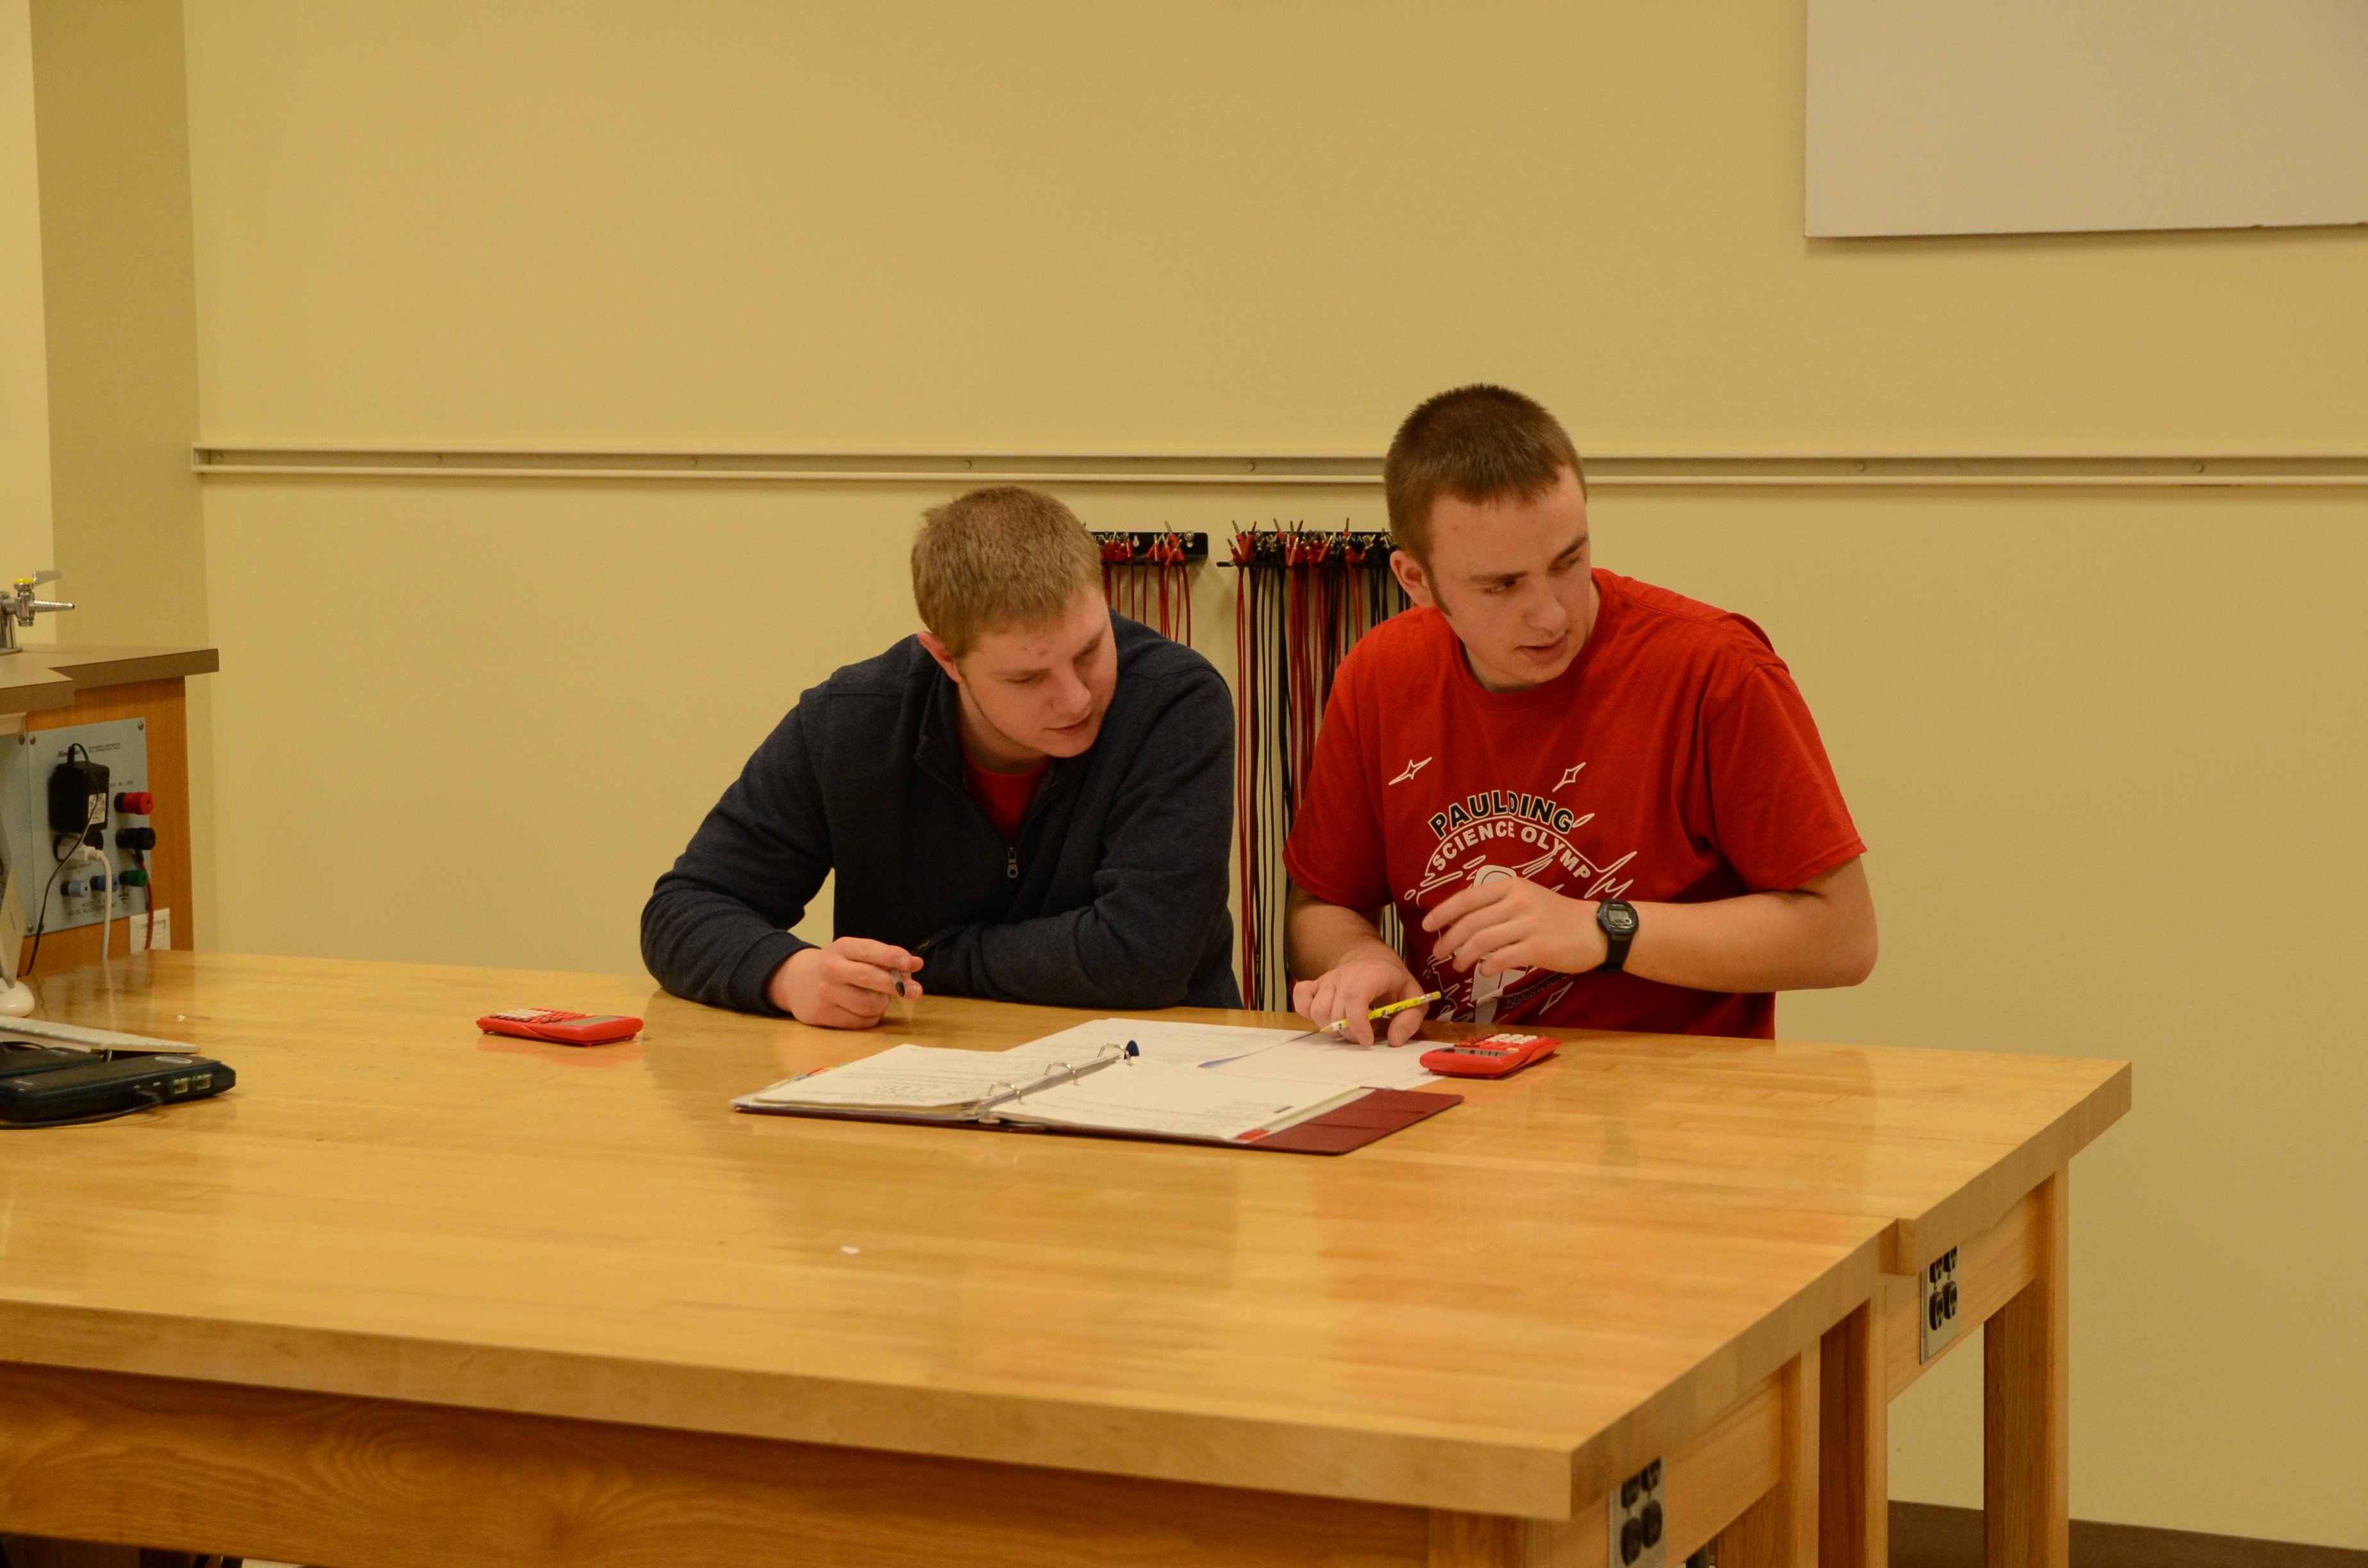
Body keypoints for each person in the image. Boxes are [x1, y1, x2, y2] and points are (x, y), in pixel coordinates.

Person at [1284, 385, 1876, 1045]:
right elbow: (1322, 906)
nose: (1551, 615)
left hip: (1677, 1090)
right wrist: (1359, 959)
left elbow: (1844, 938)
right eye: (1502, 585)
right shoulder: (1380, 673)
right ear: (1415, 581)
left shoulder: (1717, 672)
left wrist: (1604, 930)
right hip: (1456, 1082)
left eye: (1569, 561)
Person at [643, 485, 1239, 1025]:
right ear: (946, 658)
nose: (1076, 699)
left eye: (1089, 650)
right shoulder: (851, 722)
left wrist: (934, 956)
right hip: (916, 1071)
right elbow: (684, 909)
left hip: (1161, 1068)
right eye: (1027, 679)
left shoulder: (1174, 702)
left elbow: (1142, 955)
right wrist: (789, 974)